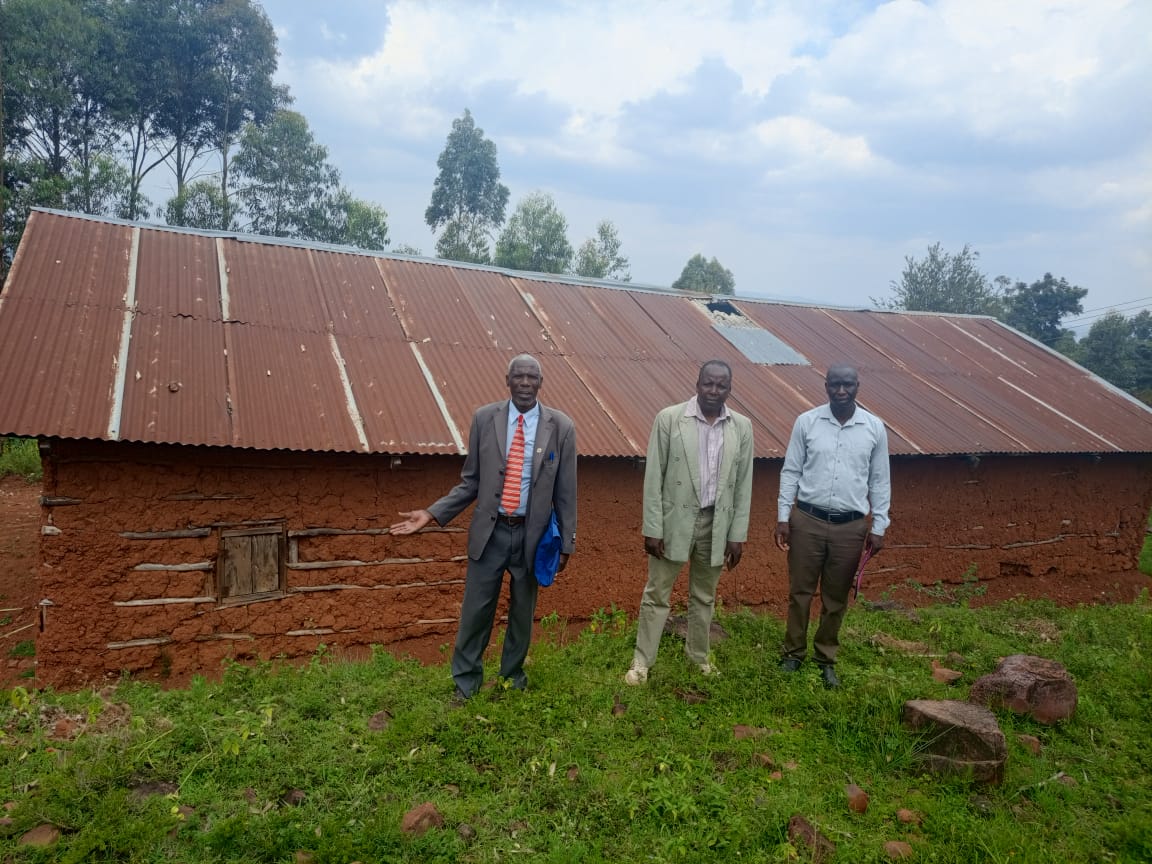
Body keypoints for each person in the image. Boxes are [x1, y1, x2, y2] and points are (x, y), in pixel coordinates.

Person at [390, 354, 577, 702]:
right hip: (491, 534)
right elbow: (470, 482)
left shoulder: (561, 427)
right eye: (518, 376)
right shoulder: (484, 419)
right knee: (476, 611)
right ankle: (466, 684)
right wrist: (431, 514)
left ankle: (511, 681)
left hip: (532, 538)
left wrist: (567, 541)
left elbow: (566, 492)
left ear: (541, 382)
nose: (525, 383)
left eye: (531, 377)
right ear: (506, 380)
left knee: (522, 614)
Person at [623, 360, 754, 685]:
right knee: (657, 593)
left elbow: (743, 484)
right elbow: (654, 476)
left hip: (717, 522)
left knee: (704, 595)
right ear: (697, 384)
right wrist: (653, 527)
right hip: (674, 521)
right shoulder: (670, 419)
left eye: (721, 385)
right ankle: (642, 662)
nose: (714, 390)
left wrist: (737, 534)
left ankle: (698, 657)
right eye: (708, 383)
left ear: (729, 388)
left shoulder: (741, 426)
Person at [775, 363, 890, 689]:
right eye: (835, 385)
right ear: (826, 386)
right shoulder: (807, 422)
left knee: (835, 597)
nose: (841, 391)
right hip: (807, 520)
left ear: (858, 386)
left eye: (848, 385)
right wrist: (783, 517)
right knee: (800, 592)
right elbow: (791, 471)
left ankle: (825, 659)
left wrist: (879, 525)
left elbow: (880, 480)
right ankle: (793, 654)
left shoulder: (874, 428)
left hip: (850, 527)